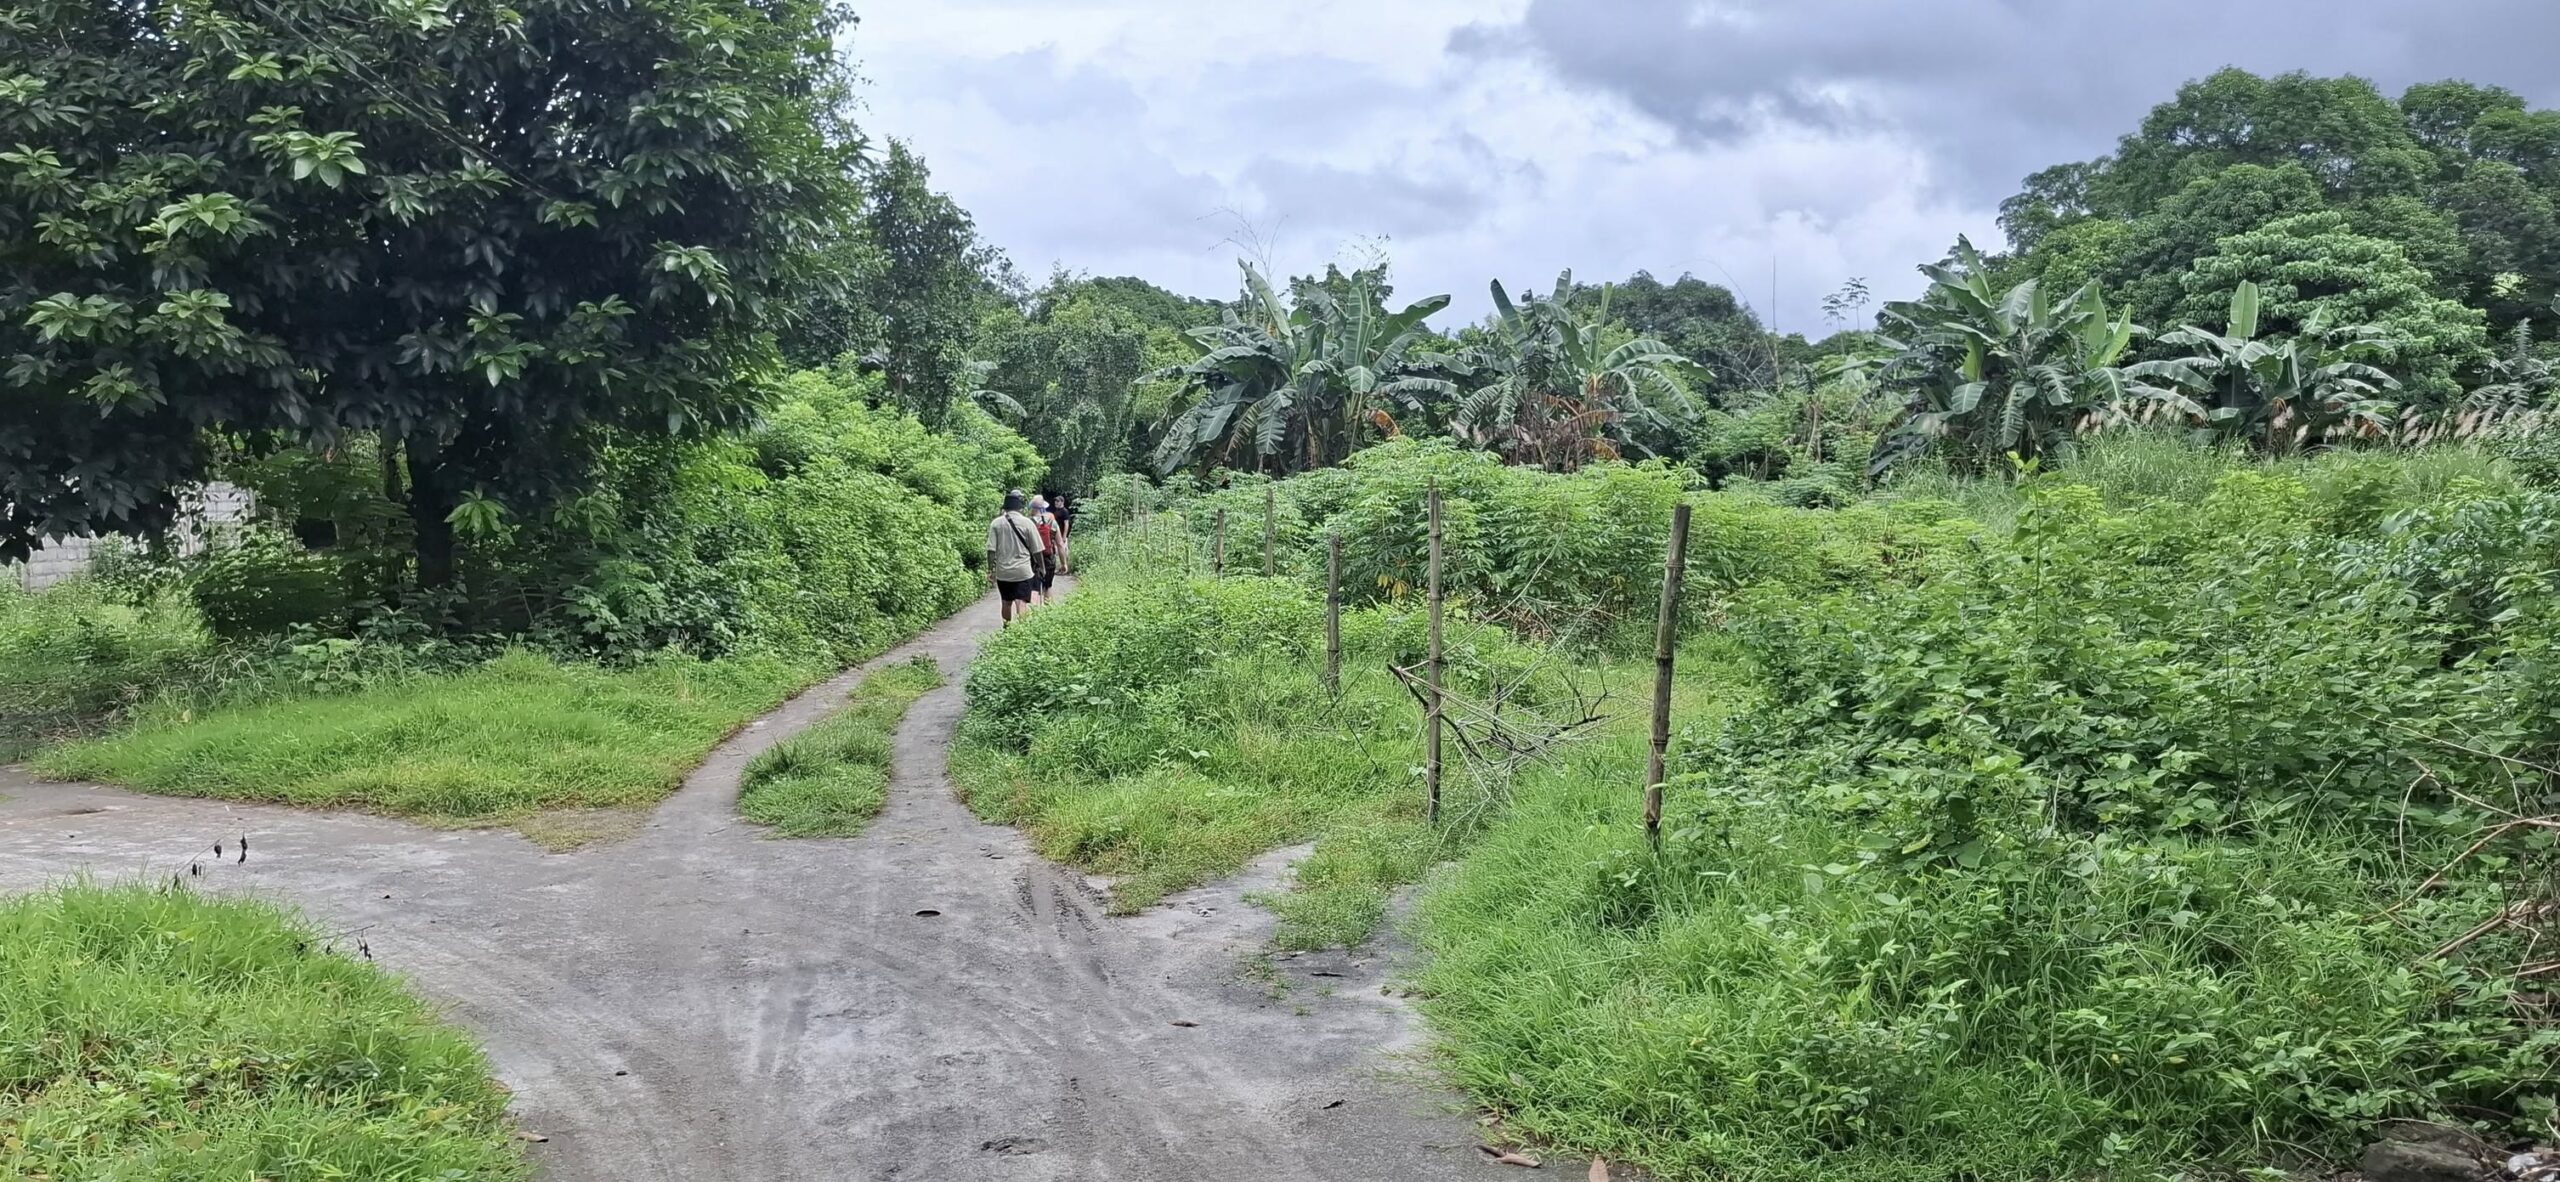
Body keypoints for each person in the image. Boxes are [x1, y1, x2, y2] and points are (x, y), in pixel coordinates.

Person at [985, 491, 1046, 626]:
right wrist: (1042, 567)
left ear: (1005, 508)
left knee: (1006, 602)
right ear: (1020, 508)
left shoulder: (996, 524)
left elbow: (991, 550)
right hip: (1023, 571)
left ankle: (1007, 628)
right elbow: (1037, 550)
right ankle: (1021, 630)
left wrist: (990, 570)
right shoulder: (1027, 523)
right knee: (1021, 601)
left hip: (1003, 572)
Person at [1029, 495, 1061, 602]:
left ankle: (1033, 611)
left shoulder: (1027, 523)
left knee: (1032, 589)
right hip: (1048, 557)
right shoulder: (1052, 522)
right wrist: (1064, 563)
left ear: (1032, 508)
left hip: (1031, 559)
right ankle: (1049, 610)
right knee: (1048, 586)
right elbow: (1060, 544)